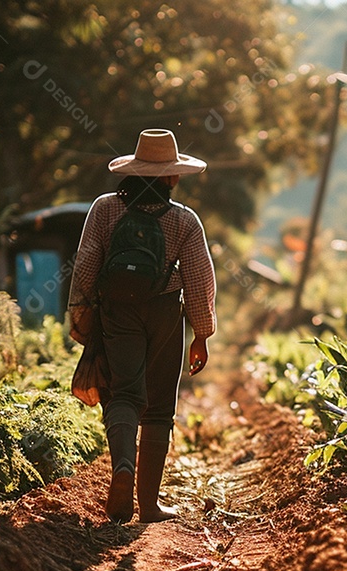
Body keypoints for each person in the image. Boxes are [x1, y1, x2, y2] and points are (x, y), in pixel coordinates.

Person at [67, 129, 216, 523]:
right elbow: (200, 280)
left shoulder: (104, 209)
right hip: (166, 312)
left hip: (117, 312)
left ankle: (122, 468)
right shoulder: (184, 220)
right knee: (159, 407)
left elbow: (85, 267)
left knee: (123, 395)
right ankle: (148, 505)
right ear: (170, 176)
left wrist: (81, 319)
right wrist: (201, 335)